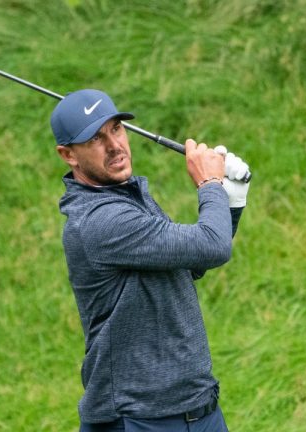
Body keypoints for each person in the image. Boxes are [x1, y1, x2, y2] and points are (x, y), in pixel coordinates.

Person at [51, 89, 250, 432]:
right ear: (68, 155)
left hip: (198, 409)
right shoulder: (100, 220)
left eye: (116, 129)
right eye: (95, 139)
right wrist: (210, 184)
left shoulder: (128, 198)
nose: (114, 145)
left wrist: (231, 203)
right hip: (137, 420)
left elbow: (190, 263)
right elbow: (213, 247)